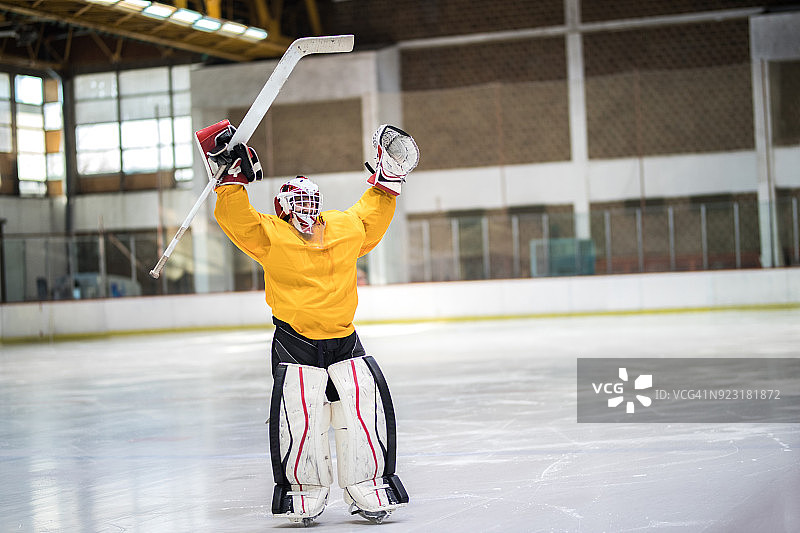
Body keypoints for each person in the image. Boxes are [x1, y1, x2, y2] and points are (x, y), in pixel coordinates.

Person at [207, 123, 418, 525]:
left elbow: (371, 215)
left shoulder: (341, 227)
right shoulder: (272, 235)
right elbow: (238, 219)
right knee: (301, 421)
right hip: (295, 343)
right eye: (296, 202)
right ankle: (303, 492)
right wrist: (229, 179)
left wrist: (387, 179)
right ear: (283, 207)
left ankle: (369, 487)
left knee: (362, 415)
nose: (304, 209)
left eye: (309, 201)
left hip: (344, 340)